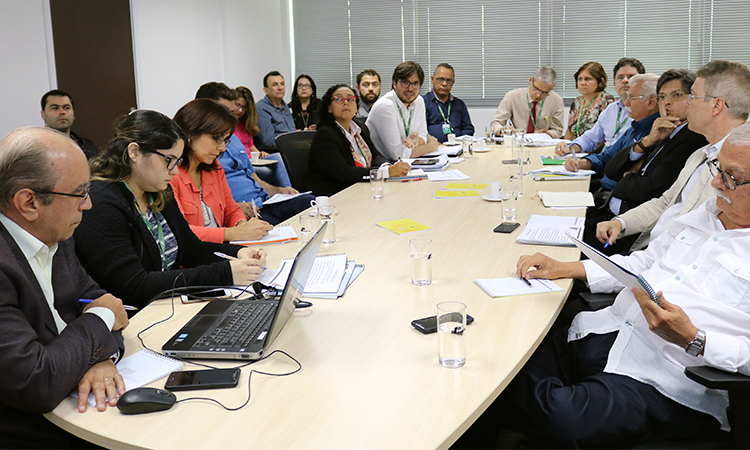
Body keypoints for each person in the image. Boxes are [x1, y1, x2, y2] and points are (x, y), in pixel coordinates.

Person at [480, 121, 750, 448]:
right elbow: (644, 264)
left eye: (731, 176)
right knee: (509, 339)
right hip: (607, 332)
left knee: (560, 416)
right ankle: (537, 412)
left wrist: (694, 339)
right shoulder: (705, 214)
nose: (717, 182)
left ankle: (533, 413)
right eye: (718, 169)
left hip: (668, 378)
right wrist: (566, 267)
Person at [0, 127, 128, 448]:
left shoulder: (57, 234)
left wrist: (101, 360)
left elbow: (103, 303)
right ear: (29, 202)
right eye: (80, 193)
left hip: (76, 403)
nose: (88, 205)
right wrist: (99, 319)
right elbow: (37, 382)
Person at [74, 110, 266, 309]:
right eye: (169, 161)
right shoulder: (101, 202)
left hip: (167, 307)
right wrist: (226, 272)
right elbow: (133, 286)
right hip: (134, 318)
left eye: (178, 162)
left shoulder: (158, 192)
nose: (174, 171)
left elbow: (191, 248)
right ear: (134, 152)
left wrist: (239, 253)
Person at [596, 60, 750, 252]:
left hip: (671, 267)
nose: (687, 103)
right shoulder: (700, 155)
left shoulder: (739, 168)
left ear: (717, 105)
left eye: (692, 96)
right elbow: (665, 202)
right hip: (651, 253)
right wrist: (621, 222)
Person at [584, 69, 708, 254]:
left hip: (632, 230)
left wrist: (628, 176)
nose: (666, 102)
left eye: (676, 95)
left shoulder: (693, 139)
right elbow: (611, 170)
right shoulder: (663, 130)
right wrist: (647, 141)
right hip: (611, 215)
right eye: (662, 96)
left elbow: (650, 190)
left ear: (692, 99)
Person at [171, 99, 273, 243]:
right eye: (217, 138)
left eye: (225, 140)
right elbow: (182, 232)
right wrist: (234, 233)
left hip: (219, 250)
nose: (222, 148)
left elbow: (231, 210)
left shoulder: (214, 168)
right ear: (191, 132)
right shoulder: (170, 175)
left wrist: (242, 225)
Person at [306, 84, 410, 196]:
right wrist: (385, 173)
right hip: (333, 195)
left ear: (356, 107)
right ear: (329, 108)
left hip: (361, 189)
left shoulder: (361, 128)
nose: (346, 102)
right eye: (339, 99)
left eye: (350, 99)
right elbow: (344, 173)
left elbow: (376, 156)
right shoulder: (325, 135)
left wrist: (386, 166)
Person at [564, 73, 660, 191]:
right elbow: (606, 157)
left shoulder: (657, 134)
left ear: (651, 102)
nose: (626, 103)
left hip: (615, 195)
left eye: (632, 98)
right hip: (603, 187)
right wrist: (579, 163)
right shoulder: (635, 127)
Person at [196, 82, 294, 194]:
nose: (230, 117)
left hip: (259, 198)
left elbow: (258, 182)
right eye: (223, 112)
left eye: (230, 112)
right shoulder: (202, 150)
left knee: (304, 201)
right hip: (243, 205)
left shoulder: (235, 138)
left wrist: (281, 191)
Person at [556, 58, 645, 156]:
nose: (625, 80)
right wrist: (569, 147)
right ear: (614, 82)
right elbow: (590, 138)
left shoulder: (647, 110)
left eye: (631, 77)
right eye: (620, 77)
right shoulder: (611, 109)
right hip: (603, 161)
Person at [366, 61, 439, 160]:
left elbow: (424, 135)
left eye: (415, 84)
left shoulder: (419, 101)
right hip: (383, 167)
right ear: (394, 83)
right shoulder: (385, 107)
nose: (410, 88)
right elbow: (398, 155)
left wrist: (417, 141)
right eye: (405, 82)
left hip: (408, 163)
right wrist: (431, 146)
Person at [489, 67, 565, 138]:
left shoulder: (556, 101)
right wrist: (504, 131)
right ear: (531, 80)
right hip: (517, 143)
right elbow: (495, 123)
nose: (538, 95)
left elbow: (557, 131)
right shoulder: (513, 96)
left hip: (542, 145)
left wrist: (547, 134)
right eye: (536, 89)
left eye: (544, 93)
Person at [423, 63, 475, 143]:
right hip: (433, 150)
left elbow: (468, 129)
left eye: (449, 80)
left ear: (453, 82)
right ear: (433, 80)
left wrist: (461, 143)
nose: (444, 84)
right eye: (440, 79)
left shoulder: (459, 104)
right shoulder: (423, 103)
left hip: (458, 148)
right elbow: (420, 132)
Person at [563, 62, 615, 141]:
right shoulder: (577, 102)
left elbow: (607, 137)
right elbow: (570, 132)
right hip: (575, 149)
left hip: (595, 150)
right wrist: (565, 146)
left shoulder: (607, 101)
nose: (582, 83)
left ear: (601, 81)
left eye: (588, 79)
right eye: (580, 79)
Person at [40, 89, 98, 159]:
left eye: (67, 108)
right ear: (43, 114)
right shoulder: (36, 147)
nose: (62, 112)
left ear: (73, 113)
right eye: (55, 108)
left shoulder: (88, 146)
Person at [256, 71, 296, 148]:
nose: (280, 88)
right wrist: (293, 142)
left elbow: (292, 132)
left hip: (291, 148)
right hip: (275, 151)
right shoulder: (261, 108)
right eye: (275, 85)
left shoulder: (285, 106)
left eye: (282, 84)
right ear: (266, 90)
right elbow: (268, 141)